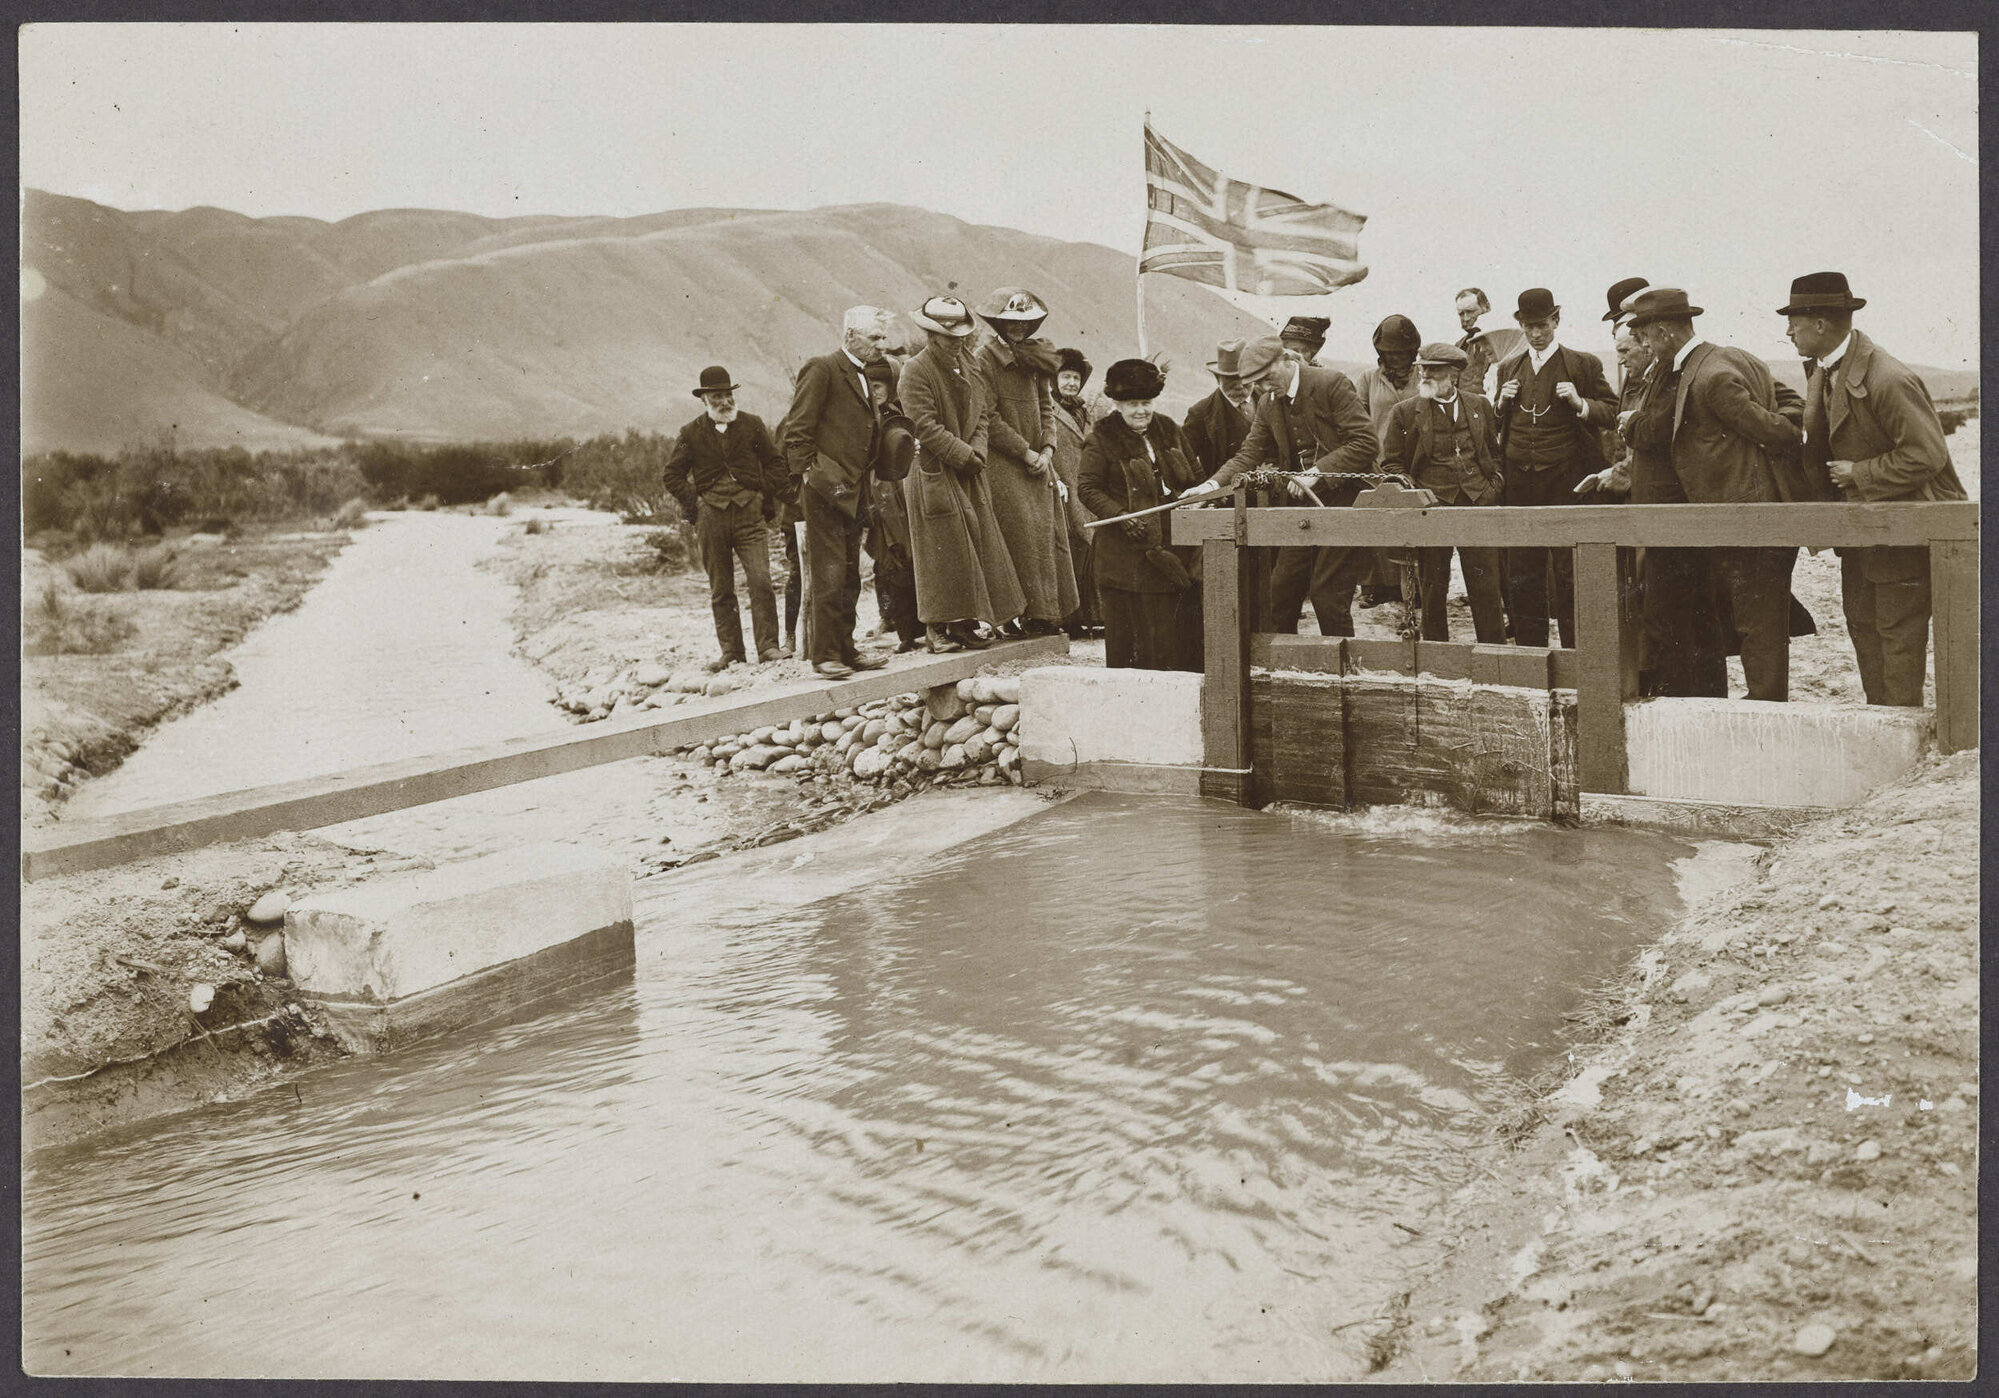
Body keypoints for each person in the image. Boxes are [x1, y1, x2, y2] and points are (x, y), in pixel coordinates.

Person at [1781, 271, 1967, 706]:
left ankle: (1903, 732)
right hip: (1865, 535)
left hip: (1903, 535)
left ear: (1821, 324)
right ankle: (1885, 726)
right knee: (1865, 629)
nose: (1788, 331)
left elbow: (1926, 455)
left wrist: (1859, 474)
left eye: (1794, 321)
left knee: (1898, 639)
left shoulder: (1887, 378)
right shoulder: (1825, 372)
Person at [1626, 286, 1806, 701]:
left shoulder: (1712, 375)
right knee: (1749, 615)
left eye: (1648, 337)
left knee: (1756, 619)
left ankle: (1766, 702)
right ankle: (1762, 698)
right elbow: (1789, 401)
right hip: (1731, 513)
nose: (1647, 346)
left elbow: (1776, 431)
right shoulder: (1717, 360)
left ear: (1666, 333)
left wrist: (1788, 437)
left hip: (1747, 514)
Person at [1188, 333, 1379, 637]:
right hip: (1302, 508)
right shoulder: (1268, 403)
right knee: (1280, 594)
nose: (1264, 388)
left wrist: (1318, 471)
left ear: (1287, 360)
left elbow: (1366, 443)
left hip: (1346, 501)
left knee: (1327, 595)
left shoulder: (1331, 383)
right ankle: (1283, 670)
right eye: (1257, 383)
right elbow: (1248, 454)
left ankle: (1344, 675)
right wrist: (1210, 485)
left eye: (1267, 378)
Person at [896, 294, 1026, 653]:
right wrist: (963, 454)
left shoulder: (968, 367)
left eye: (960, 338)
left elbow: (982, 414)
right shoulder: (916, 370)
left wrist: (977, 452)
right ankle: (937, 628)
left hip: (968, 468)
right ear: (932, 336)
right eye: (949, 338)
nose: (957, 343)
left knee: (971, 546)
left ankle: (965, 623)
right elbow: (924, 424)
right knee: (939, 551)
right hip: (935, 471)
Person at [1491, 288, 1618, 648]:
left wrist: (1580, 403)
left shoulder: (1583, 365)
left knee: (1568, 569)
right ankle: (1532, 654)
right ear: (1521, 325)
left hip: (1566, 478)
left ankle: (1575, 652)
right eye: (1529, 326)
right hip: (1520, 480)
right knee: (1523, 570)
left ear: (1556, 321)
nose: (1536, 333)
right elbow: (1495, 422)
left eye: (1543, 325)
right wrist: (1500, 403)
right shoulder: (1508, 368)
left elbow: (1610, 410)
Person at [784, 305, 894, 678]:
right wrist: (813, 480)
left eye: (883, 337)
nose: (882, 344)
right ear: (850, 336)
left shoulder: (862, 375)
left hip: (854, 490)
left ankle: (845, 651)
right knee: (829, 573)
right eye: (874, 337)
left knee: (848, 573)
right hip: (827, 491)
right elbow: (797, 432)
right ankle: (825, 655)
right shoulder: (823, 368)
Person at [1077, 357, 1205, 670]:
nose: (1140, 411)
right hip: (1126, 558)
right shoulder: (1101, 438)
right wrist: (1122, 516)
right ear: (1117, 404)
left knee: (1177, 637)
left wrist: (1197, 497)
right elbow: (1088, 488)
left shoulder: (1169, 429)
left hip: (1174, 552)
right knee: (1136, 643)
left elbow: (1197, 473)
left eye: (1146, 402)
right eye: (1132, 403)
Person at [1378, 343, 1507, 643]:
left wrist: (1493, 486)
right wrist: (1414, 492)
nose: (1425, 374)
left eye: (1434, 370)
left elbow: (1493, 452)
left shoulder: (1480, 406)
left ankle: (1494, 651)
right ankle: (1437, 651)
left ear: (1454, 375)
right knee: (1433, 586)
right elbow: (1392, 463)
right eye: (1423, 368)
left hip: (1477, 503)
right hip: (1432, 506)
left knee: (1485, 583)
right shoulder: (1405, 412)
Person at [662, 365, 788, 669]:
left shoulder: (752, 425)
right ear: (704, 400)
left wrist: (761, 493)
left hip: (750, 516)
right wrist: (697, 502)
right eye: (717, 397)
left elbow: (776, 465)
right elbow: (671, 474)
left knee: (760, 580)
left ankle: (768, 647)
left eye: (728, 395)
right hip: (711, 519)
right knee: (721, 588)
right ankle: (732, 652)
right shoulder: (690, 433)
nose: (725, 402)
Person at [974, 287, 1079, 638]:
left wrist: (1048, 448)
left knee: (1046, 537)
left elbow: (1046, 406)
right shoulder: (984, 359)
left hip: (1039, 461)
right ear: (997, 322)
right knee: (1017, 536)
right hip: (1005, 463)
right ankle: (1015, 616)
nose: (1017, 329)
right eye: (1010, 322)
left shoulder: (1036, 357)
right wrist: (1025, 451)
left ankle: (1047, 612)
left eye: (1024, 322)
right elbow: (988, 416)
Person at [1353, 314, 1424, 607]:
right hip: (1377, 461)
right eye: (1389, 353)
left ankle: (1413, 587)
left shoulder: (1423, 377)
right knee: (1375, 524)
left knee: (1413, 525)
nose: (1395, 358)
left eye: (1401, 353)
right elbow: (1357, 418)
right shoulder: (1369, 379)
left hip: (1415, 461)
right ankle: (1374, 586)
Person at [862, 360, 922, 652]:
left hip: (901, 490)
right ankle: (904, 631)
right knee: (887, 562)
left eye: (879, 387)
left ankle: (921, 625)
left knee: (912, 555)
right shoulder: (861, 417)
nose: (875, 393)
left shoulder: (901, 416)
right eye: (870, 388)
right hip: (876, 494)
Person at [1050, 347, 1100, 638]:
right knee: (1067, 549)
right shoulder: (1047, 409)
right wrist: (1054, 478)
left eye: (1076, 378)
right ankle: (1067, 618)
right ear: (1054, 379)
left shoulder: (1083, 411)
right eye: (1066, 376)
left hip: (1085, 490)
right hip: (1062, 489)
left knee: (1088, 548)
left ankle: (1089, 614)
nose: (1071, 383)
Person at [1181, 339, 1254, 477]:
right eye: (1231, 379)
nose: (1239, 385)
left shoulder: (1269, 400)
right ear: (1218, 378)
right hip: (1226, 493)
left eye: (1244, 378)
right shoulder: (1200, 413)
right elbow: (1185, 462)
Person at [1453, 288, 1498, 398]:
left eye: (1470, 311)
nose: (1466, 318)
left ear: (1487, 308)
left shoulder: (1502, 341)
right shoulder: (1458, 347)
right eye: (1461, 314)